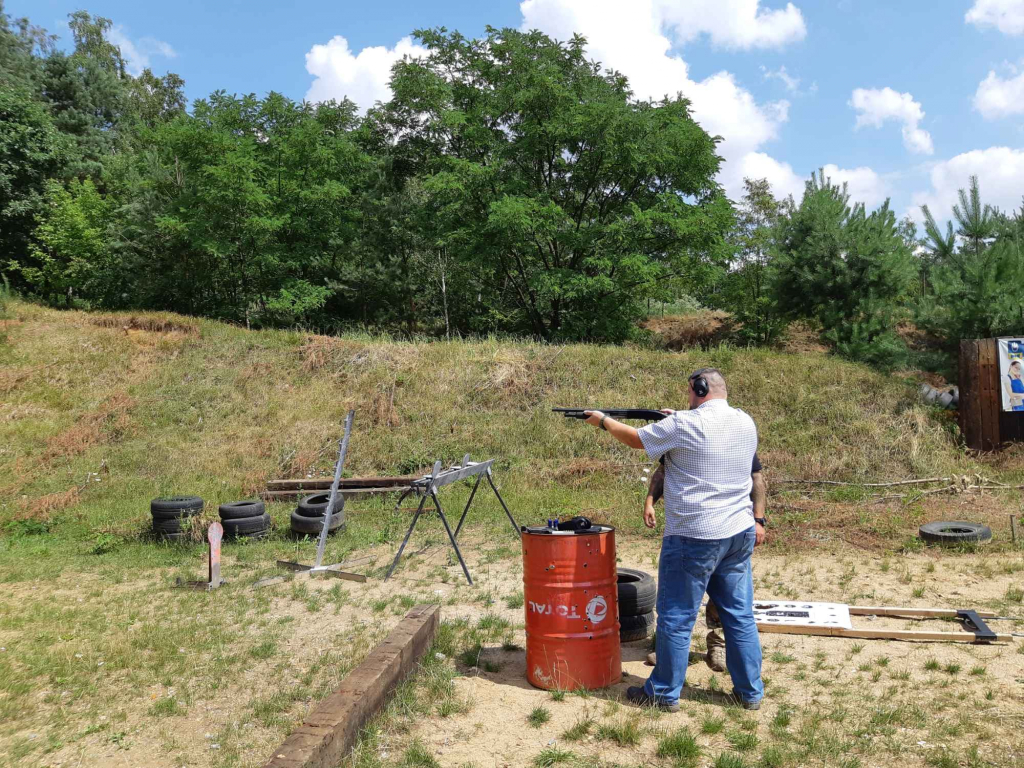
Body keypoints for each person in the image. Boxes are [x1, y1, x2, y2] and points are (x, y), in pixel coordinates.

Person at [582, 368, 763, 711]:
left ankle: (663, 693)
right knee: (739, 616)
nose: (688, 400)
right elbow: (704, 429)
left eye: (691, 393)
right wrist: (679, 416)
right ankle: (750, 692)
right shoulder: (744, 421)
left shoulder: (684, 425)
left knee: (676, 617)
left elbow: (637, 439)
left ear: (700, 388)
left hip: (695, 535)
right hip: (738, 532)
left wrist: (603, 421)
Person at [643, 452, 767, 672]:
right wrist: (650, 500)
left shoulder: (736, 432)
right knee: (682, 600)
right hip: (696, 527)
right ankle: (671, 652)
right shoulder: (686, 432)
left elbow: (756, 477)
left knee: (726, 600)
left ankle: (717, 642)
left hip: (731, 528)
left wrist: (759, 519)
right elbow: (663, 471)